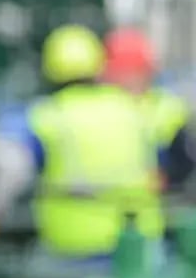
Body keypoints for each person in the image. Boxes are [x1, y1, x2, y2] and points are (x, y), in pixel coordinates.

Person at [24, 24, 164, 259]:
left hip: (72, 247)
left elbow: (25, 170)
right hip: (137, 243)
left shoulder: (46, 116)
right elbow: (159, 162)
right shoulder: (132, 108)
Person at [103, 26, 196, 189]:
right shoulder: (101, 107)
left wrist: (167, 177)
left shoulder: (168, 108)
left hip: (159, 205)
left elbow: (185, 159)